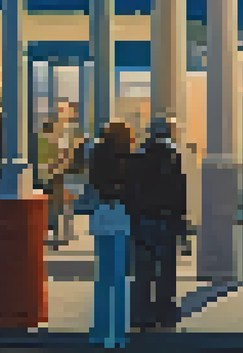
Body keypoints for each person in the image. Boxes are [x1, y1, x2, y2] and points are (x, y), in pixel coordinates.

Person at [127, 117, 186, 332]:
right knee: (167, 269)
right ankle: (166, 314)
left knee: (143, 269)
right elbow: (180, 190)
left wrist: (134, 216)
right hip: (167, 218)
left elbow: (132, 190)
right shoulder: (173, 156)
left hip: (144, 218)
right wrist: (181, 220)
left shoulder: (139, 156)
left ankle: (142, 314)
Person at [88, 121, 136, 349]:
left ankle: (99, 331)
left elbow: (93, 182)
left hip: (102, 212)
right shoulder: (129, 156)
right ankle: (118, 333)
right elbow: (133, 186)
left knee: (103, 277)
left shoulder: (97, 154)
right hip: (122, 213)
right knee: (120, 277)